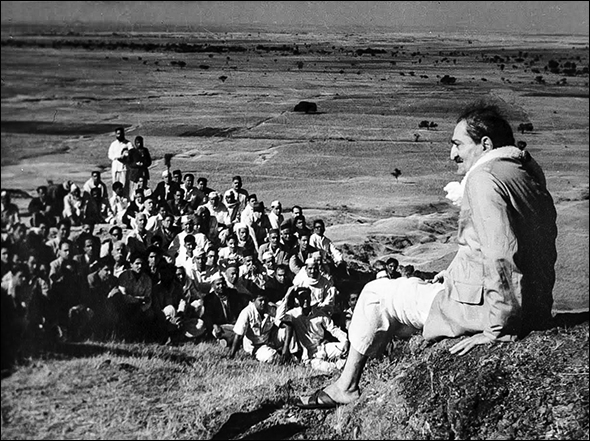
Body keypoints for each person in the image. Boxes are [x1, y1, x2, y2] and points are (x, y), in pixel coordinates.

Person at [295, 103, 558, 409]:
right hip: (535, 306)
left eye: (458, 144)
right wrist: (456, 272)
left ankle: (346, 386)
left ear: (485, 144)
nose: (452, 155)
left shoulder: (483, 178)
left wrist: (499, 328)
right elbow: (524, 246)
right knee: (410, 289)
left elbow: (501, 255)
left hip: (487, 309)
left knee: (377, 293)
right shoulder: (526, 174)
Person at [277, 286, 349, 372]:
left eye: (307, 297)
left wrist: (345, 341)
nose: (306, 300)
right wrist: (287, 296)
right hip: (309, 354)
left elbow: (333, 329)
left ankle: (342, 364)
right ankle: (339, 366)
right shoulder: (294, 314)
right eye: (302, 297)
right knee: (327, 367)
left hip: (323, 347)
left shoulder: (319, 314)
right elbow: (279, 317)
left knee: (350, 351)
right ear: (297, 299)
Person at [229, 290, 289, 363]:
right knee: (273, 358)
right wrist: (231, 355)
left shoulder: (269, 309)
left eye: (265, 300)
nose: (263, 303)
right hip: (255, 345)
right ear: (253, 300)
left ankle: (291, 353)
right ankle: (271, 354)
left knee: (285, 330)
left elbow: (286, 325)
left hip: (269, 339)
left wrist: (285, 349)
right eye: (260, 300)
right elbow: (238, 335)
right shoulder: (247, 312)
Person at [108, 127, 133, 198]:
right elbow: (110, 155)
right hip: (115, 168)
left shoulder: (128, 144)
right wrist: (117, 157)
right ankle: (115, 202)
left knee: (124, 186)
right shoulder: (113, 144)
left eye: (120, 133)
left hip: (124, 168)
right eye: (117, 134)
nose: (119, 135)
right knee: (115, 186)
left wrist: (125, 157)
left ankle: (125, 201)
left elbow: (131, 154)